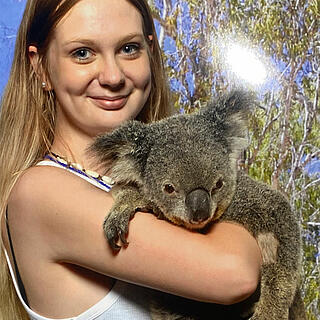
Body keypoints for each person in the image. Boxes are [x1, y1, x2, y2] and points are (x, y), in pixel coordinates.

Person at [0, 0, 262, 319]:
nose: (113, 76)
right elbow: (235, 272)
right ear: (40, 66)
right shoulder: (40, 193)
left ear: (150, 53)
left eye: (128, 48)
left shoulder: (141, 183)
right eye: (82, 52)